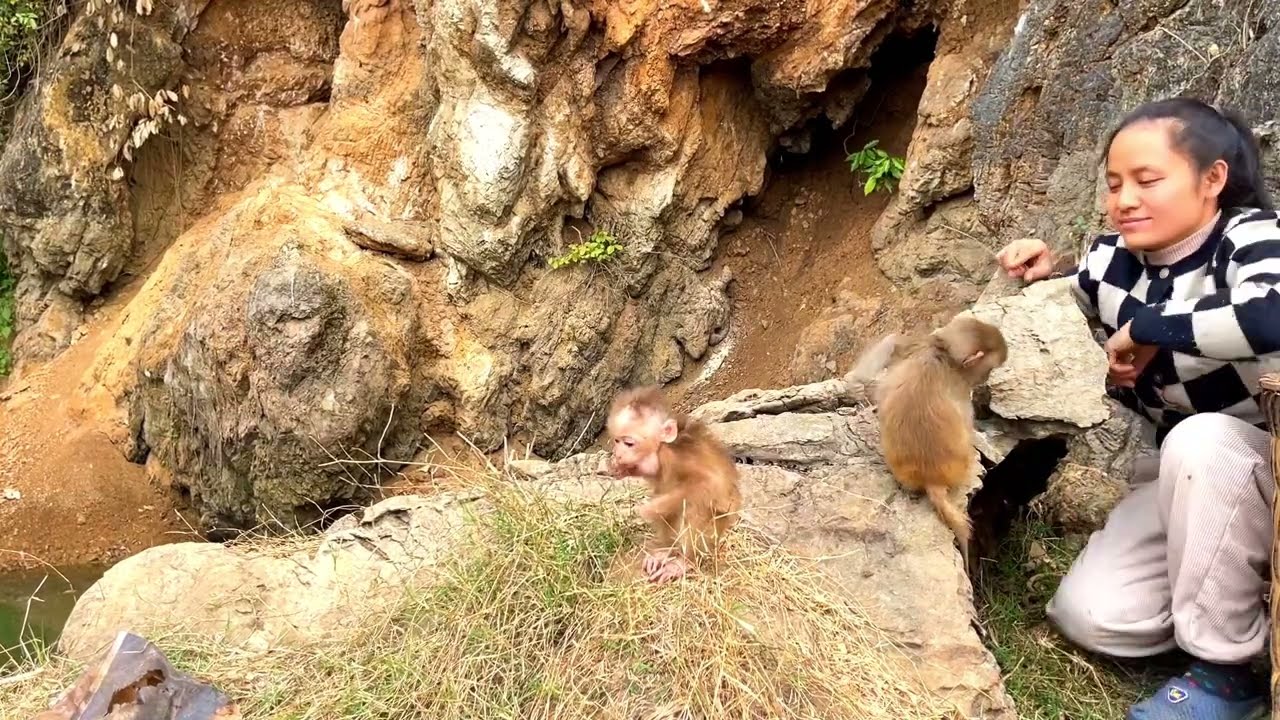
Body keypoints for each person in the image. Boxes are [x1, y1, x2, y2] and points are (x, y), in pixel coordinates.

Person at [996, 97, 1280, 720]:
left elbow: (1270, 316)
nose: (1126, 198)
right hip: (1182, 476)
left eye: (1148, 180)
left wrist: (1156, 327)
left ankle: (1225, 674)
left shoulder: (1249, 235)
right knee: (1091, 616)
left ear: (1212, 180)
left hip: (1262, 456)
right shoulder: (1110, 260)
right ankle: (1237, 612)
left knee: (1204, 440)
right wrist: (1044, 271)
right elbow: (1070, 298)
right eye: (1115, 183)